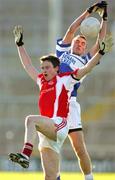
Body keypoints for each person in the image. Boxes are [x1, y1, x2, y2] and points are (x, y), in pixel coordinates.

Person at [8, 25, 112, 180]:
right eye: (43, 68)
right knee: (50, 177)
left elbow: (88, 68)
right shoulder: (41, 81)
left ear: (57, 69)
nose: (44, 70)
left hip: (59, 125)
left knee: (30, 120)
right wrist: (20, 45)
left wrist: (101, 52)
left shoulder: (66, 79)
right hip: (47, 133)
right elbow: (28, 65)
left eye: (47, 68)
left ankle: (25, 154)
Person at [56, 1, 108, 180]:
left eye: (83, 43)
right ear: (72, 43)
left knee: (79, 148)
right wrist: (89, 11)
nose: (79, 44)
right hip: (53, 102)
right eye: (78, 41)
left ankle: (89, 177)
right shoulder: (61, 51)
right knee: (50, 146)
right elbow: (71, 29)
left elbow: (101, 43)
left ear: (85, 48)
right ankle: (53, 176)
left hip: (70, 105)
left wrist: (104, 18)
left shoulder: (86, 60)